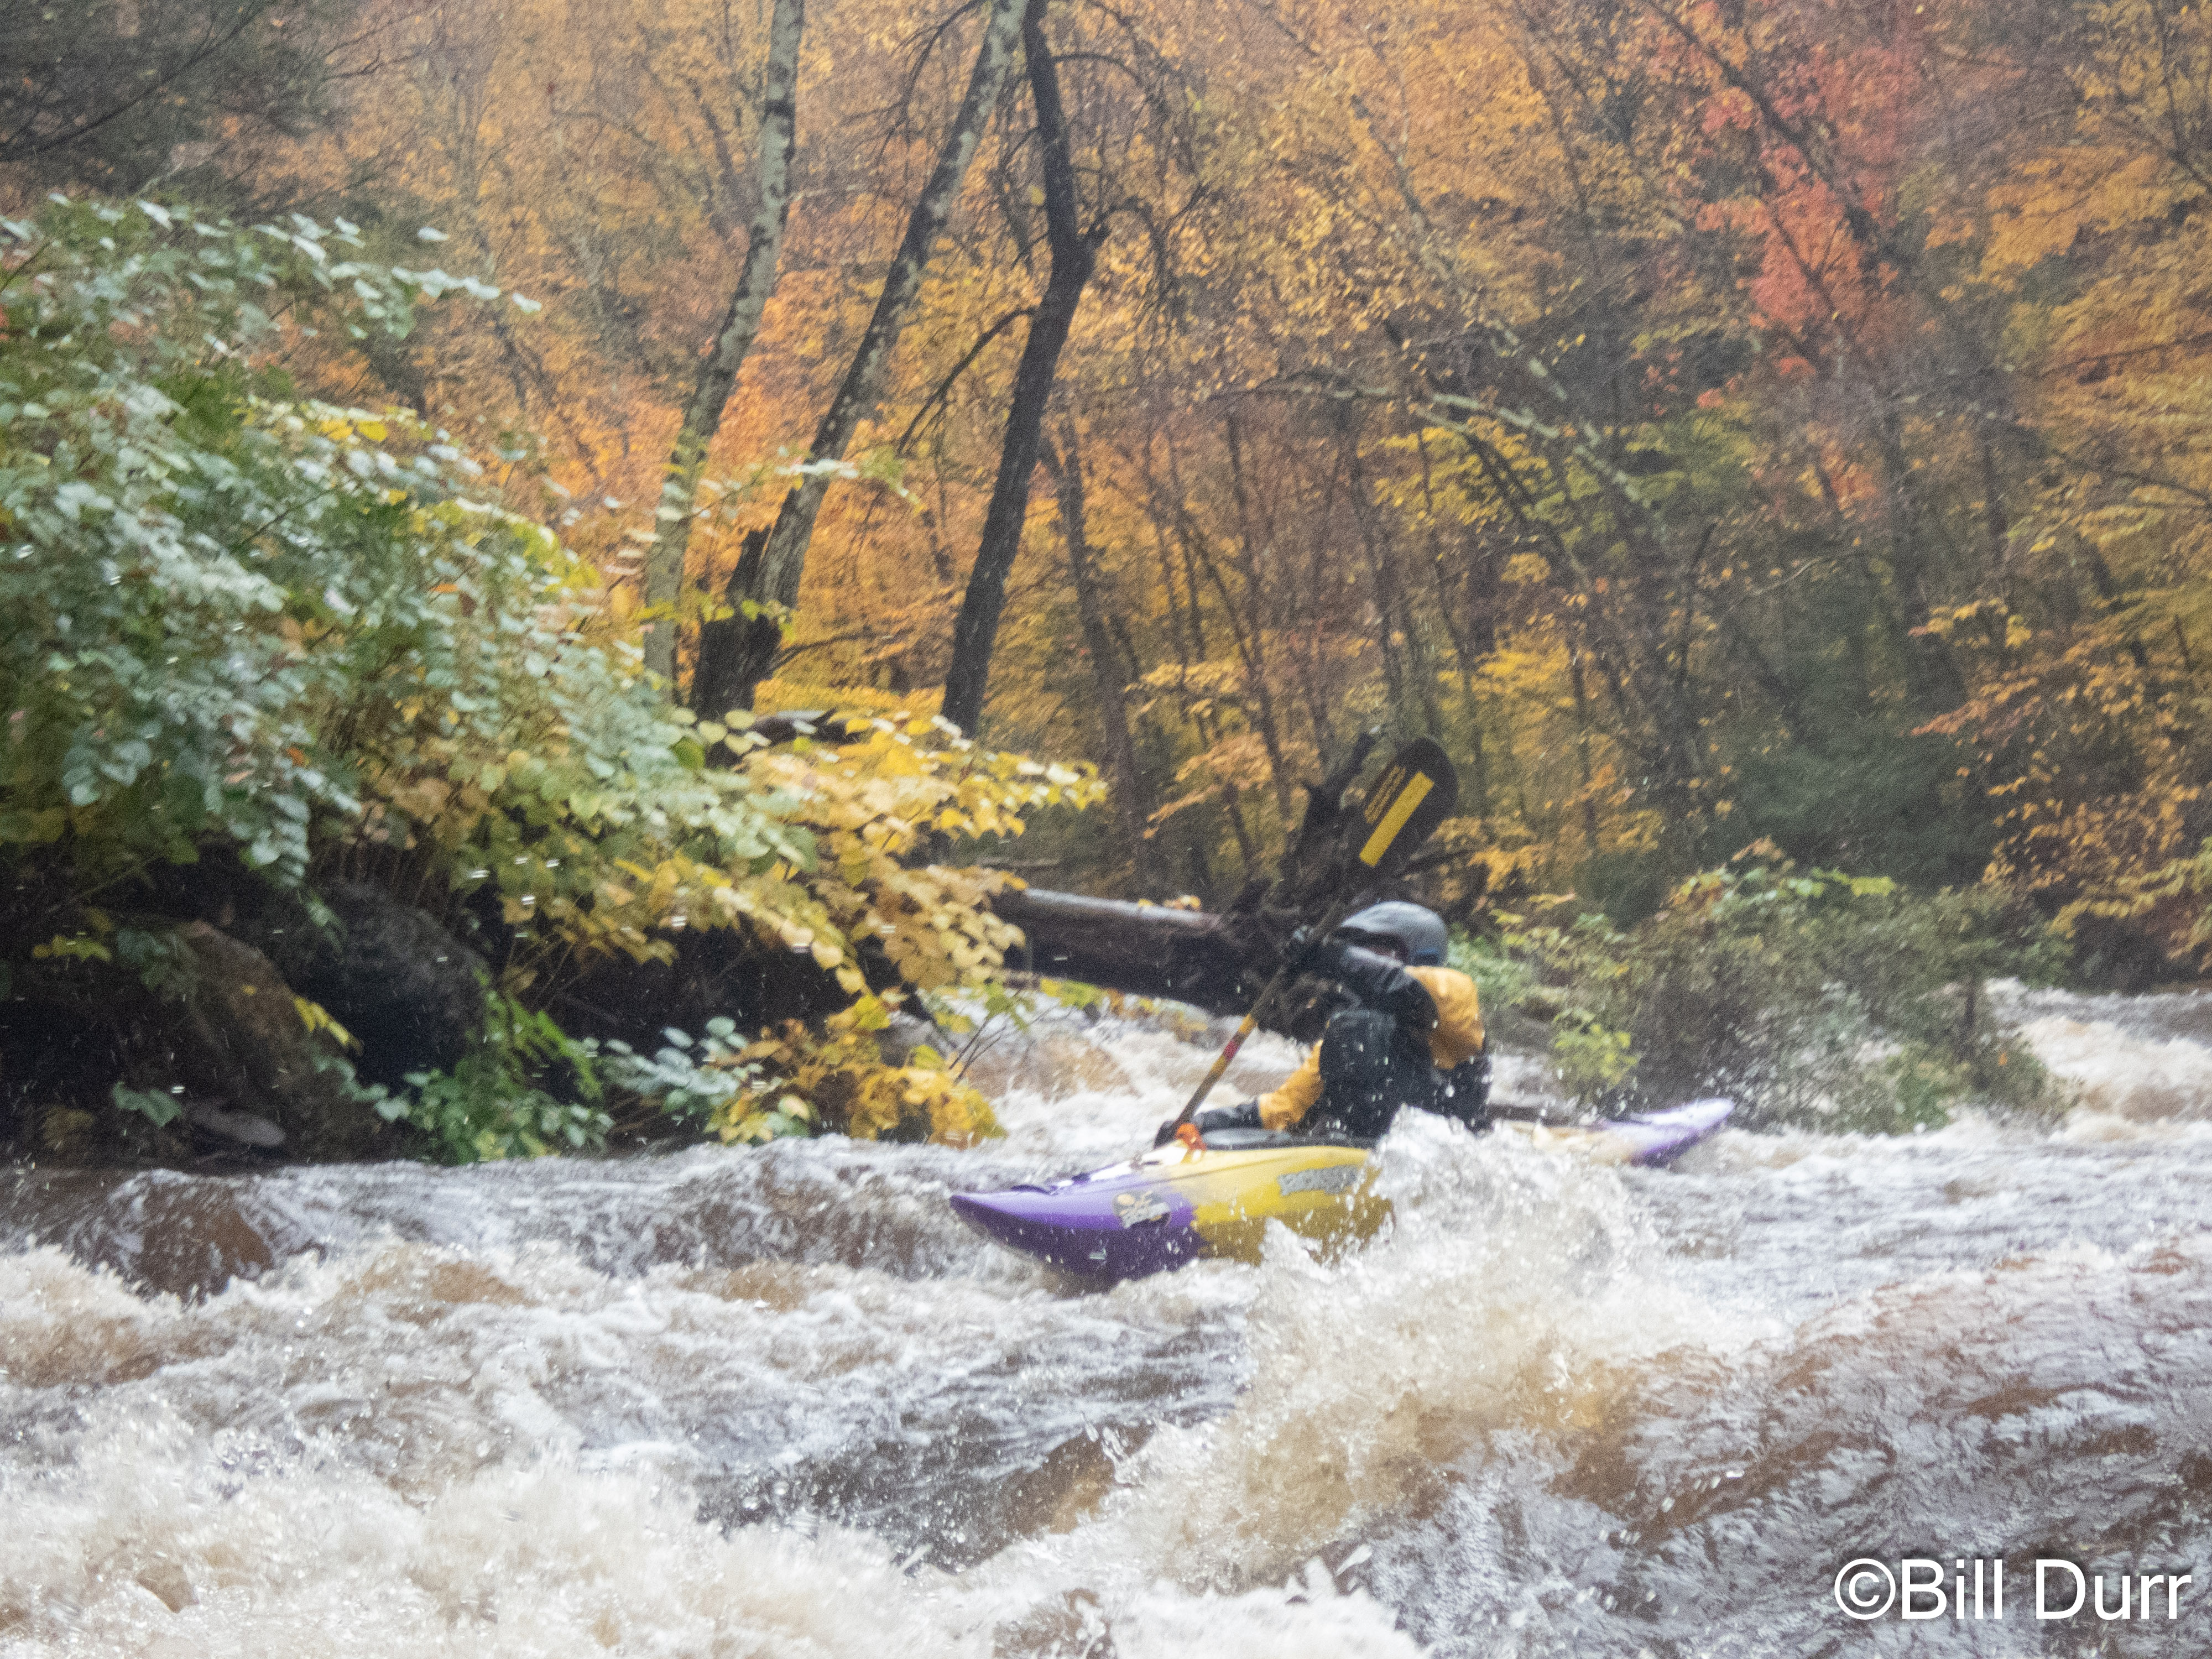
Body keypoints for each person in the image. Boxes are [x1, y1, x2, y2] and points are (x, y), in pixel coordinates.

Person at [1157, 900, 1489, 1146]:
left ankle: (1353, 1147)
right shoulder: (1351, 1034)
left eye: (1375, 951)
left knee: (1359, 1030)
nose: (1361, 959)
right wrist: (1202, 1124)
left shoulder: (1454, 991)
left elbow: (1401, 988)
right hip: (1378, 1149)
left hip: (1444, 1143)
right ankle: (1346, 1149)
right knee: (1351, 1030)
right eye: (1358, 951)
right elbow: (1284, 1109)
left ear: (1418, 954)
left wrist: (1331, 956)